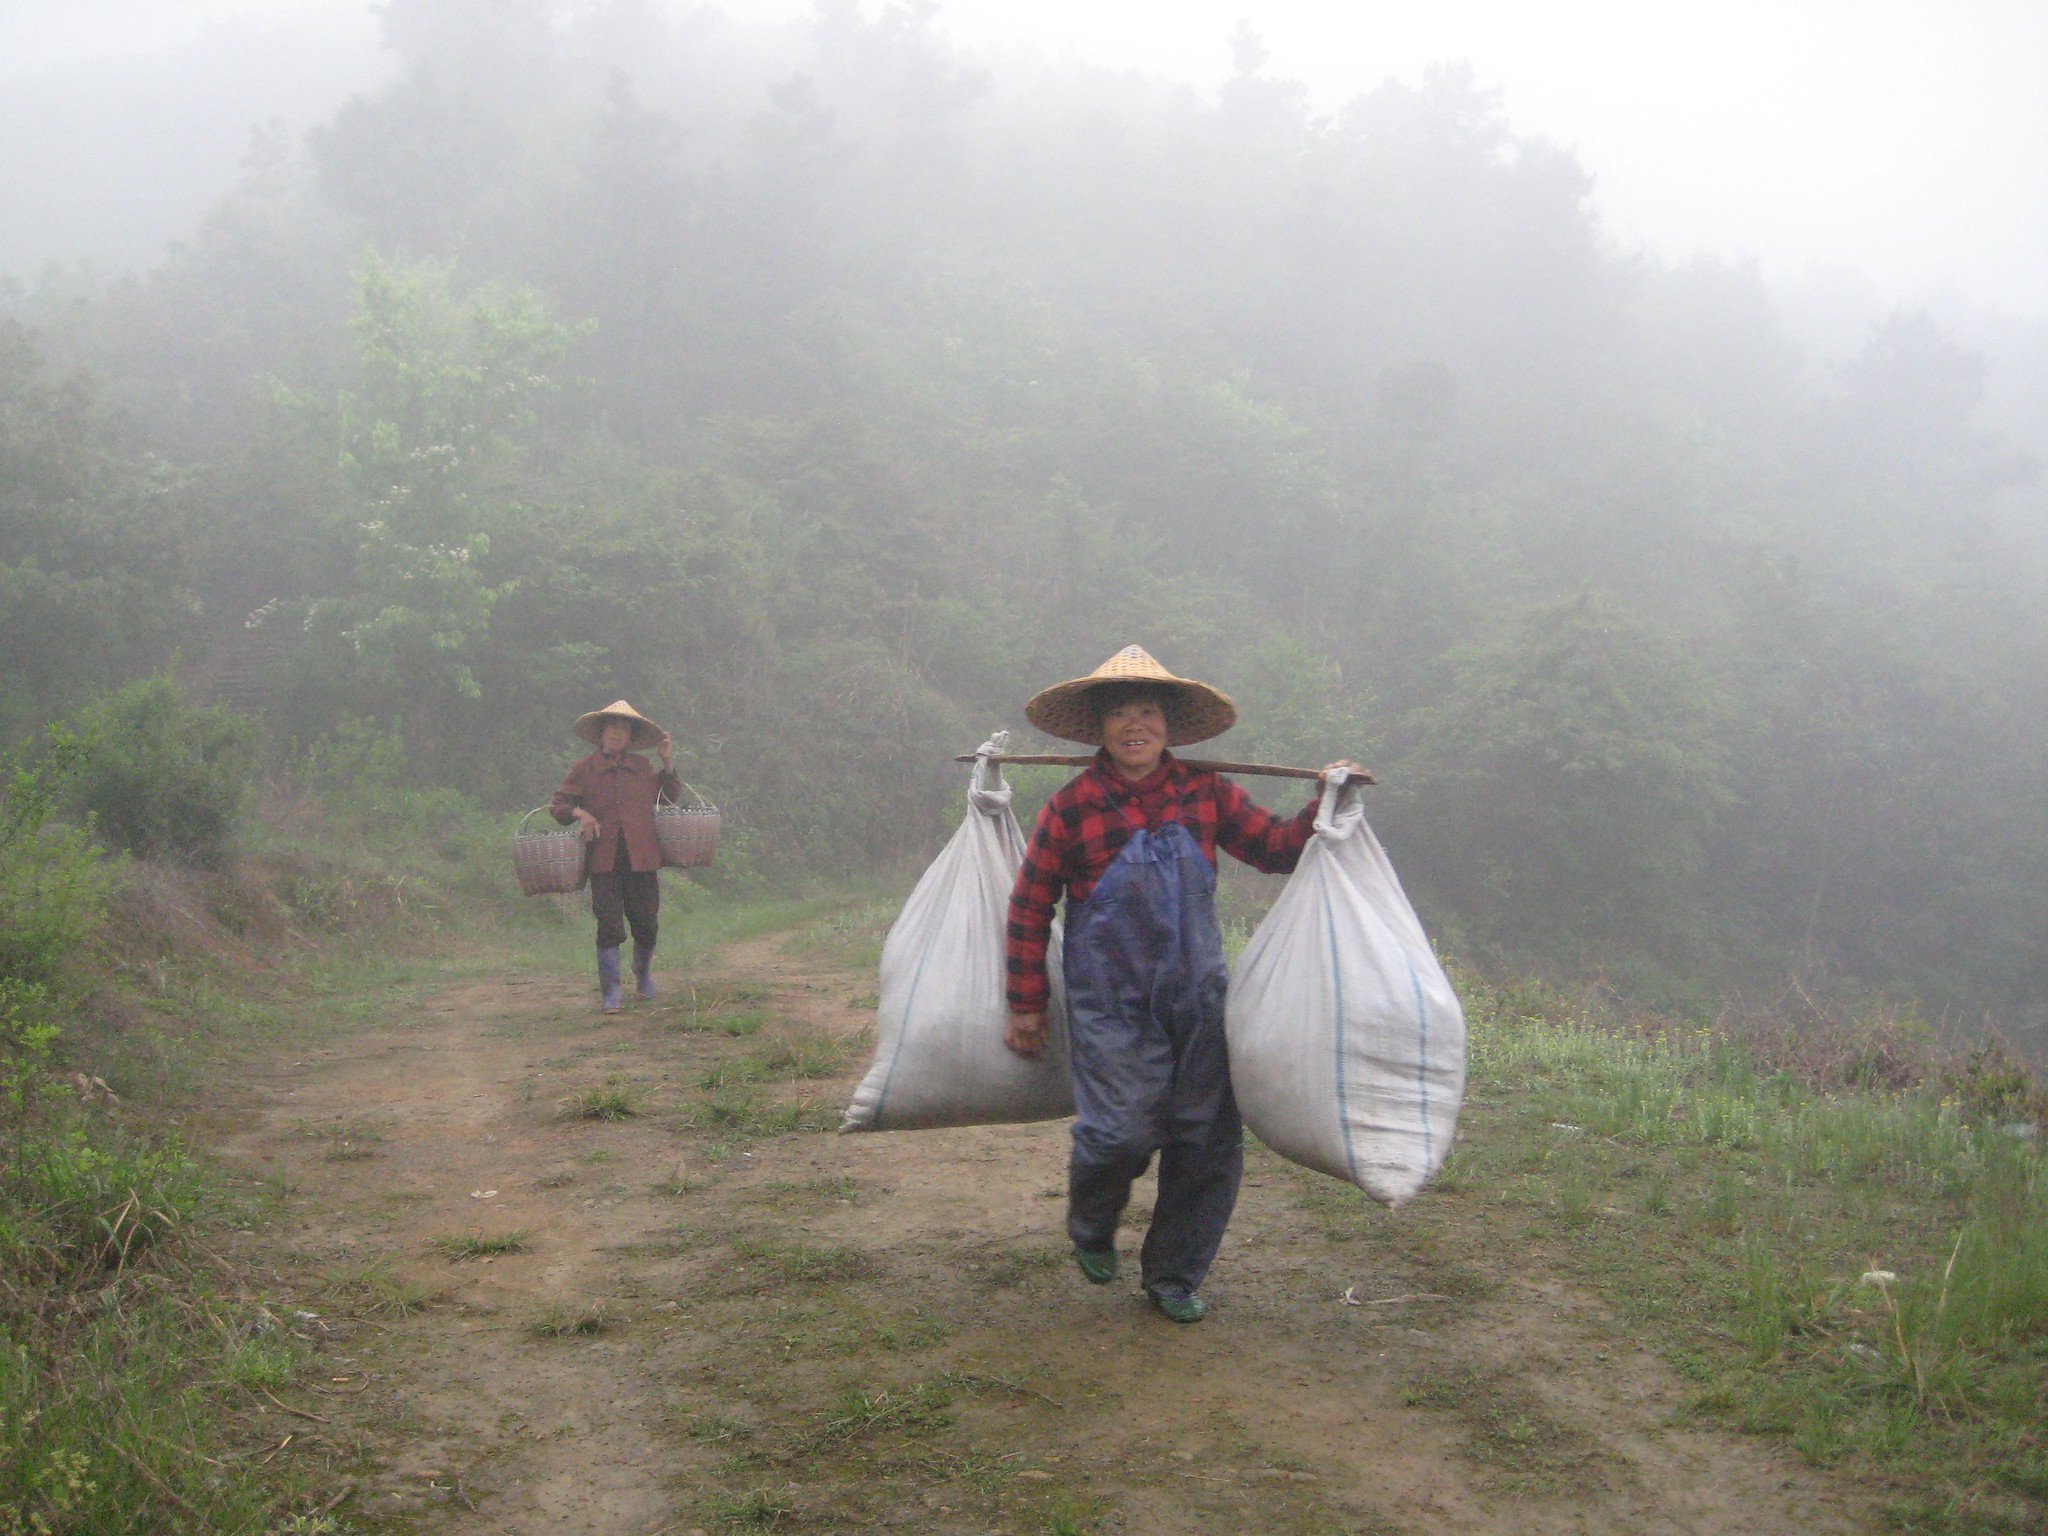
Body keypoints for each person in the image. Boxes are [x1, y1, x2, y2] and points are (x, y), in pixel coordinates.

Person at [1002, 646, 1360, 1323]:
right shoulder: (1071, 808)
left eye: (1146, 713)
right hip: (1110, 1006)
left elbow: (1277, 847)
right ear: (1100, 729)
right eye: (1119, 715)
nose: (1134, 727)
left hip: (1199, 999)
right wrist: (1026, 1004)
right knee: (1118, 1135)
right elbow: (1028, 906)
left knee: (1205, 1142)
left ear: (1167, 727)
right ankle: (1093, 1218)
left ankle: (1174, 1274)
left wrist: (1329, 797)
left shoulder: (1206, 793)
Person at [551, 700, 680, 1013]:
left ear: (631, 737)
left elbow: (668, 797)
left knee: (647, 924)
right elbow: (558, 806)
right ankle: (611, 992)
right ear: (601, 733)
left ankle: (643, 973)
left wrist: (667, 763)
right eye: (611, 727)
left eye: (623, 729)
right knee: (609, 925)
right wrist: (581, 813)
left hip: (642, 858)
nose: (616, 733)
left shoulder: (642, 768)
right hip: (604, 860)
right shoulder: (584, 769)